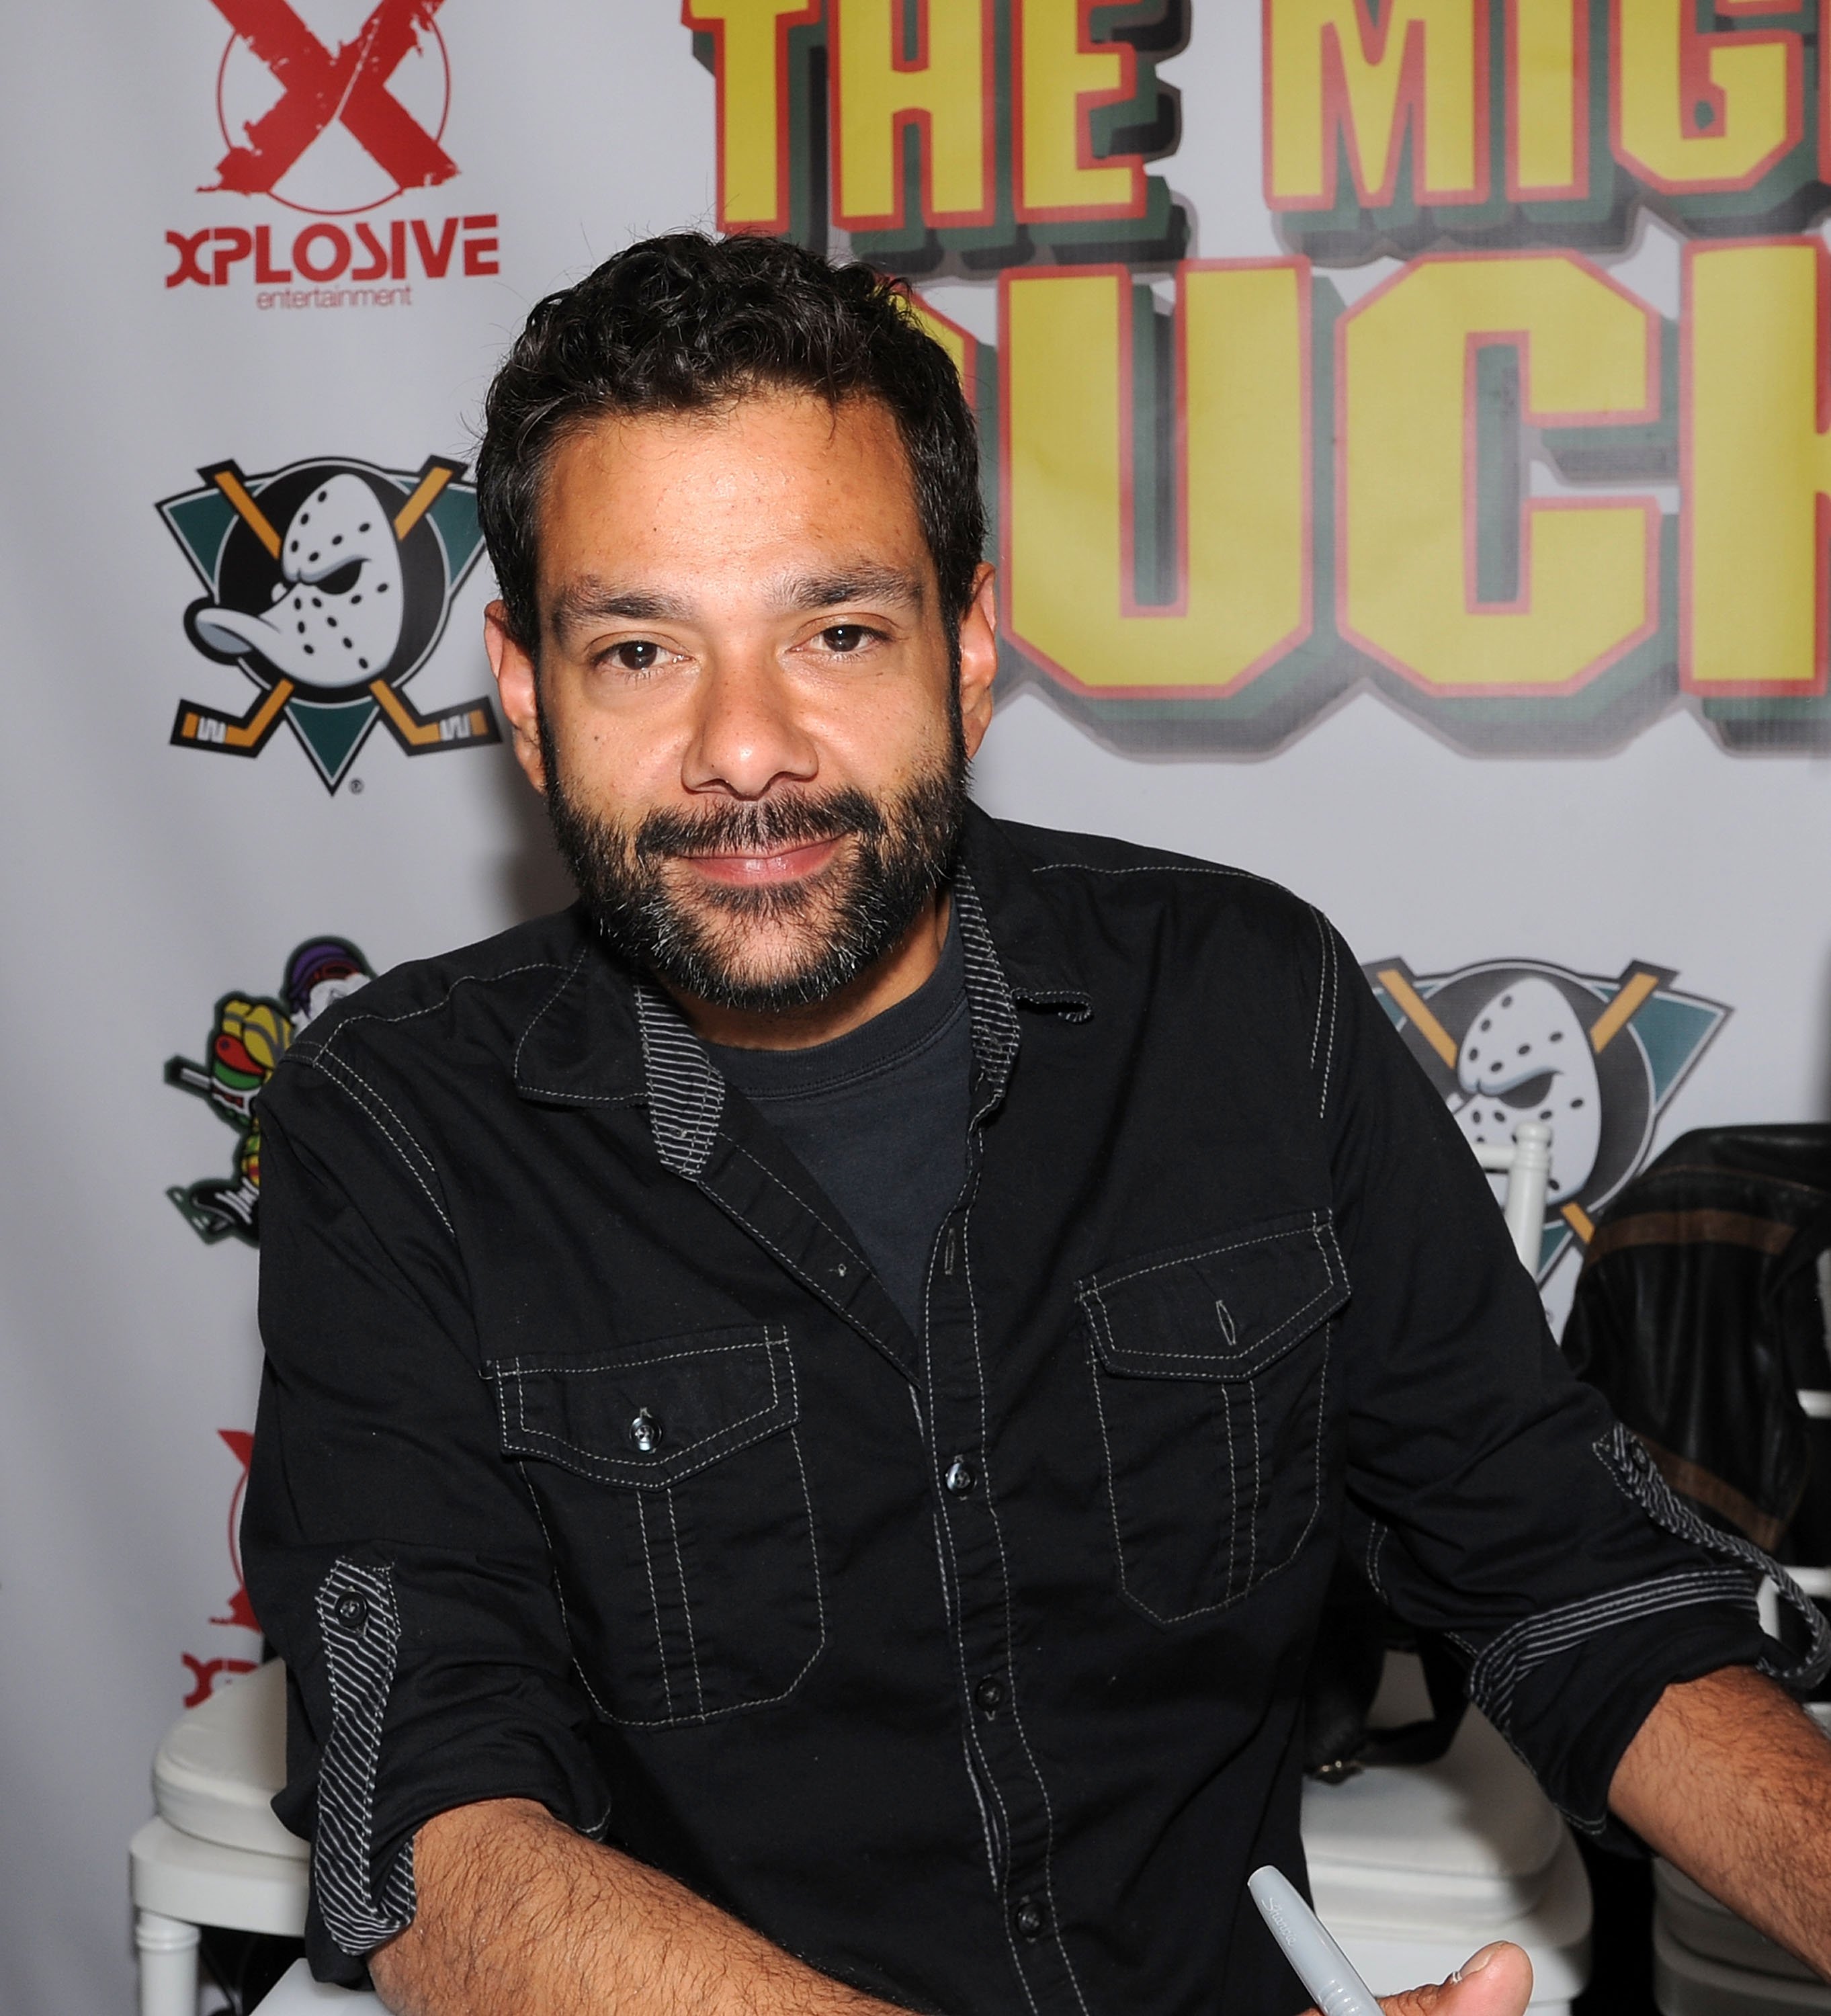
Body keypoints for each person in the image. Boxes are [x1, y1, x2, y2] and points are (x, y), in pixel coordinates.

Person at [243, 233, 1831, 2016]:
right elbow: (432, 1836)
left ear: (971, 648)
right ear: (529, 703)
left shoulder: (1248, 1008)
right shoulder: (394, 1133)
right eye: (640, 651)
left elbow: (1565, 1575)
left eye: (837, 629)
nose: (746, 748)